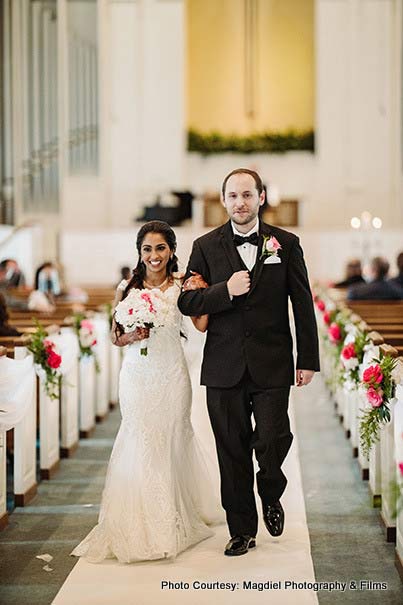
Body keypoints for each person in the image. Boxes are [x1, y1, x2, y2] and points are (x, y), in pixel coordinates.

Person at [178, 168, 320, 557]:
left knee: (273, 438)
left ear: (261, 198)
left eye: (247, 194)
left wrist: (307, 358)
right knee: (232, 450)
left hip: (273, 363)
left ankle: (271, 489)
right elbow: (187, 302)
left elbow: (302, 304)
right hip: (223, 367)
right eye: (232, 195)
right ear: (223, 201)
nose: (240, 202)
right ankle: (241, 529)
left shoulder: (286, 243)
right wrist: (225, 291)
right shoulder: (205, 246)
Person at [71, 220, 219, 564]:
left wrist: (205, 291)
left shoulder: (183, 284)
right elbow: (114, 336)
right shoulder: (127, 287)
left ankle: (175, 517)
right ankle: (145, 521)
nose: (154, 256)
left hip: (171, 373)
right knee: (142, 439)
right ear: (139, 253)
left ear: (171, 251)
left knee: (172, 437)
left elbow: (201, 324)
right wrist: (131, 336)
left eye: (161, 248)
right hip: (138, 375)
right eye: (147, 249)